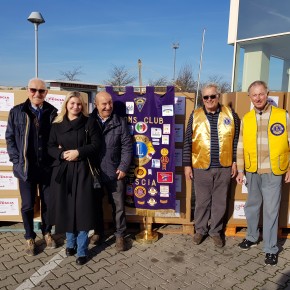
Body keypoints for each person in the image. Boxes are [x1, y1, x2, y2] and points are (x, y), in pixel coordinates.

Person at [236, 80, 290, 266]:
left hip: (274, 171)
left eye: (261, 94)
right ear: (249, 97)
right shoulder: (247, 118)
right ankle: (251, 237)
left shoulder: (283, 116)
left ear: (267, 94)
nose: (258, 98)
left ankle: (270, 248)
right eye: (254, 95)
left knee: (271, 210)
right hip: (252, 170)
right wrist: (241, 170)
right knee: (252, 206)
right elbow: (241, 146)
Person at [47, 91, 101, 265]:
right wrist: (62, 154)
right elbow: (50, 146)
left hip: (83, 171)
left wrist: (79, 152)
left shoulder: (89, 123)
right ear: (66, 105)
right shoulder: (56, 125)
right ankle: (70, 244)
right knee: (67, 209)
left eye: (79, 104)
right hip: (63, 172)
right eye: (72, 103)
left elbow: (96, 144)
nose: (75, 107)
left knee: (83, 210)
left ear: (83, 106)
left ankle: (82, 250)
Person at [5, 78, 58, 256]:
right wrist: (16, 160)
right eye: (33, 90)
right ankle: (29, 237)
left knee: (48, 204)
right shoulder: (17, 111)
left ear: (46, 93)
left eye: (41, 91)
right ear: (28, 90)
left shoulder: (52, 112)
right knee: (27, 205)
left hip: (47, 167)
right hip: (26, 168)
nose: (37, 94)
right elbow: (10, 138)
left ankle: (47, 232)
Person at [183, 83, 239, 247]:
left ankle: (215, 231)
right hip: (201, 166)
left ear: (218, 97)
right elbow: (187, 141)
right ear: (202, 98)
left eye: (212, 96)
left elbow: (236, 141)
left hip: (224, 166)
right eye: (206, 97)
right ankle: (200, 230)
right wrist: (187, 165)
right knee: (202, 201)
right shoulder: (195, 115)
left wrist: (235, 161)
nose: (209, 99)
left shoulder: (231, 114)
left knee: (220, 202)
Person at [90, 91, 132, 251]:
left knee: (118, 206)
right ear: (96, 105)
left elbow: (127, 146)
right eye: (104, 104)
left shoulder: (120, 122)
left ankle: (120, 235)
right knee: (96, 204)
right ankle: (98, 232)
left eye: (110, 103)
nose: (108, 107)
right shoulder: (89, 121)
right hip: (94, 172)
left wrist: (123, 167)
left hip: (115, 172)